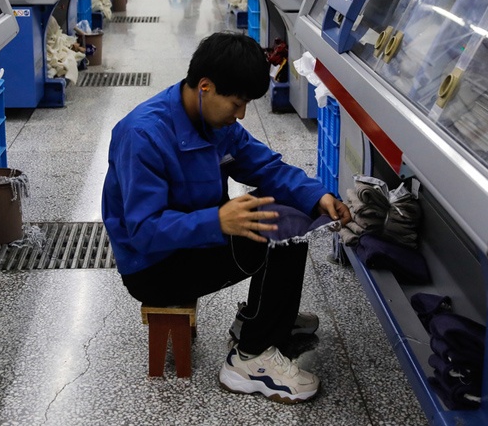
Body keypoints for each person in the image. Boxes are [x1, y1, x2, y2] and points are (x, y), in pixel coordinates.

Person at [102, 32, 351, 404]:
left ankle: (263, 318)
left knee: (294, 209)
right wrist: (217, 221)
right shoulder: (144, 135)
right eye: (237, 103)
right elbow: (143, 232)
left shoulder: (216, 124)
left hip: (195, 238)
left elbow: (266, 168)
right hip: (153, 266)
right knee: (277, 231)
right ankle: (250, 358)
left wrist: (317, 196)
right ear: (205, 87)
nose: (241, 114)